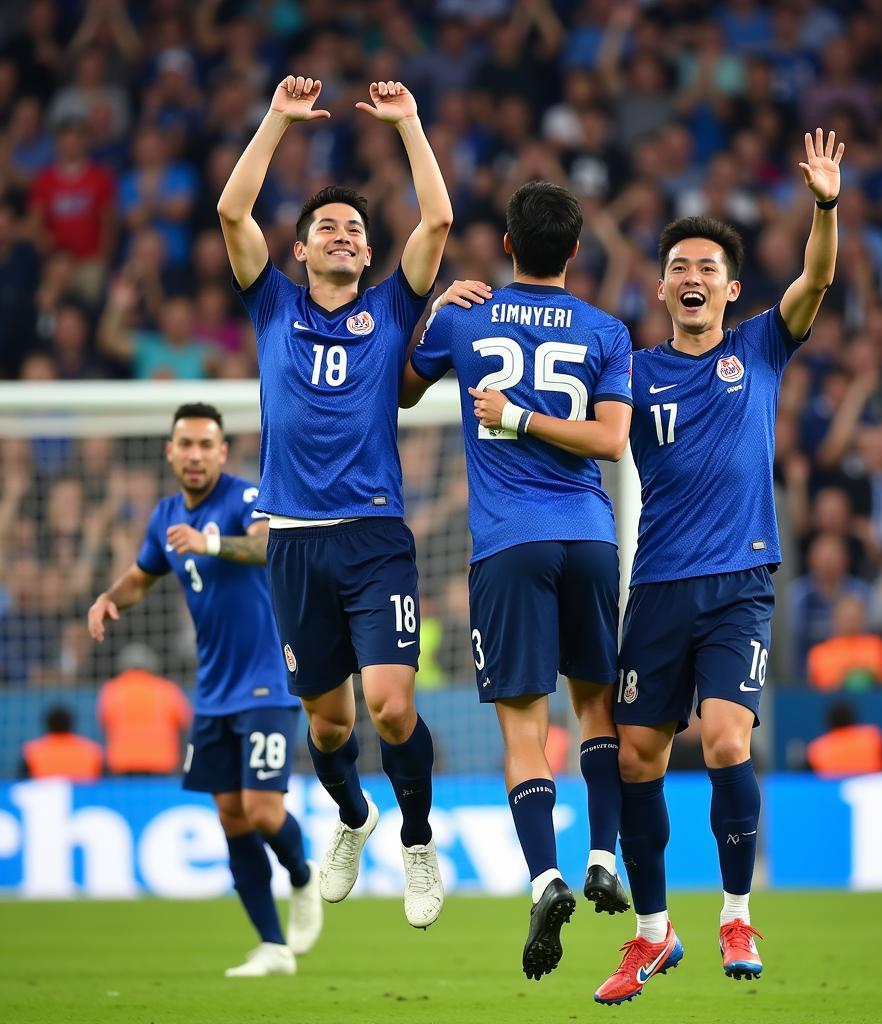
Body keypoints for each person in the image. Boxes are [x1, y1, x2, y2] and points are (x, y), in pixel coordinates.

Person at [591, 128, 845, 1002]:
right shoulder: (631, 368)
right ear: (660, 285)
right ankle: (652, 937)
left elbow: (816, 279)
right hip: (655, 585)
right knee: (635, 759)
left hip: (739, 582)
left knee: (728, 736)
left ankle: (736, 911)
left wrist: (823, 205)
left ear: (730, 289)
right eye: (679, 267)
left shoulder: (762, 348)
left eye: (708, 267)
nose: (692, 278)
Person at [218, 76, 452, 929]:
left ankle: (418, 842)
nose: (345, 235)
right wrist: (277, 119)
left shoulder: (392, 306)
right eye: (328, 228)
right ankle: (355, 818)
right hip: (295, 544)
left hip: (376, 535)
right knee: (327, 725)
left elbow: (437, 223)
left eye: (355, 228)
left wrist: (411, 125)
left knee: (392, 704)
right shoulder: (271, 303)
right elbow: (232, 214)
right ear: (303, 250)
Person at [403, 180, 634, 979]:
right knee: (597, 708)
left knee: (523, 733)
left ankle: (545, 878)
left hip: (507, 546)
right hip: (592, 538)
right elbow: (610, 443)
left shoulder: (467, 315)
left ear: (506, 245)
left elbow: (400, 392)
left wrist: (434, 311)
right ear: (575, 251)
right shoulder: (607, 329)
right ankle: (605, 854)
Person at [87, 403, 321, 978]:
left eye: (205, 445)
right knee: (231, 817)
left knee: (264, 811)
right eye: (185, 444)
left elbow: (269, 547)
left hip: (267, 680)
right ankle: (271, 946)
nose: (195, 455)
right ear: (170, 451)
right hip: (213, 692)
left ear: (222, 451)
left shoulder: (245, 499)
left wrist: (211, 544)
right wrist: (109, 598)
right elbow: (144, 573)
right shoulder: (165, 516)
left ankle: (303, 874)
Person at [97, 643, 192, 775]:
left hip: (122, 765)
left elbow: (105, 725)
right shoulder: (168, 690)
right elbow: (186, 729)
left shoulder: (111, 690)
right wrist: (187, 766)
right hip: (161, 764)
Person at [806, 702, 882, 778]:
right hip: (872, 790)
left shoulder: (817, 748)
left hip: (832, 793)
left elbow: (802, 779)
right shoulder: (872, 738)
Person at [20, 705, 103, 781]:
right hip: (84, 796)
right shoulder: (92, 750)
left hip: (45, 796)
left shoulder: (31, 751)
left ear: (47, 724)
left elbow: (23, 783)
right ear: (71, 724)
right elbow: (105, 784)